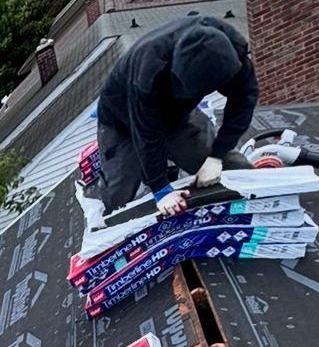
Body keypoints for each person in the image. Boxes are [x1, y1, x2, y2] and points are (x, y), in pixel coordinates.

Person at [79, 14, 259, 226]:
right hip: (122, 120)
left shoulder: (231, 50)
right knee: (119, 195)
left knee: (230, 169)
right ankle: (106, 221)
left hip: (179, 116)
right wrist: (161, 189)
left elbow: (244, 99)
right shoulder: (148, 69)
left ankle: (256, 206)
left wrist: (217, 156)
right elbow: (147, 135)